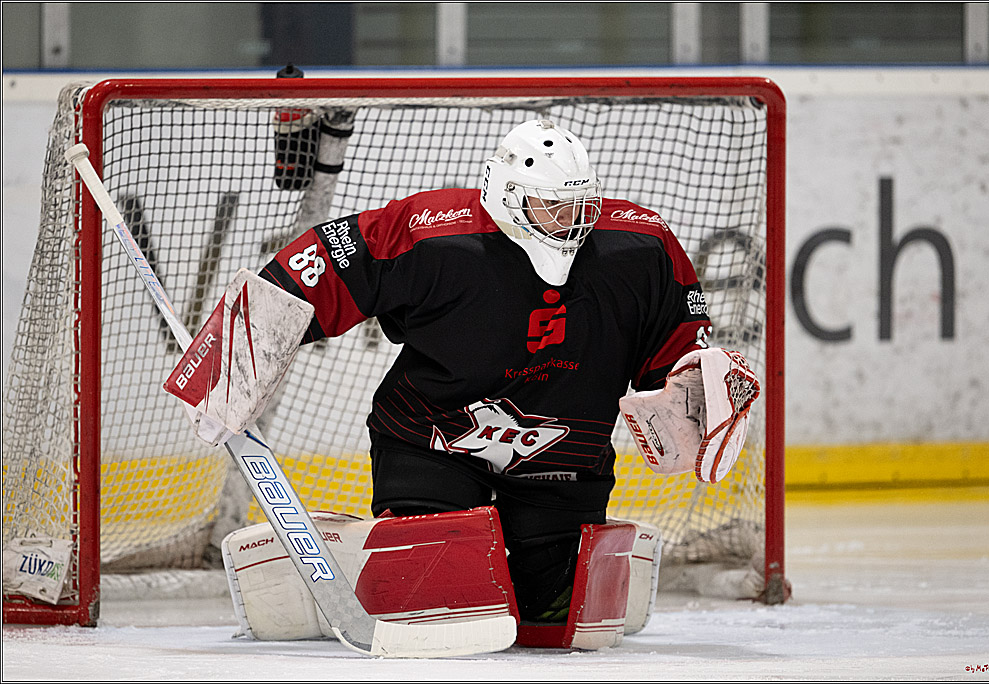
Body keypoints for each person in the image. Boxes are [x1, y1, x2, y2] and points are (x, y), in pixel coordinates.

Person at [257, 118, 713, 623]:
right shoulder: (433, 232)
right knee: (434, 599)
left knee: (555, 613)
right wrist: (241, 347)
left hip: (565, 445)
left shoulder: (640, 246)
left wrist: (690, 386)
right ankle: (364, 558)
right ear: (507, 193)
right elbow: (323, 260)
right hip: (431, 434)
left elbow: (680, 338)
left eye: (580, 206)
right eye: (552, 205)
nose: (570, 222)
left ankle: (400, 559)